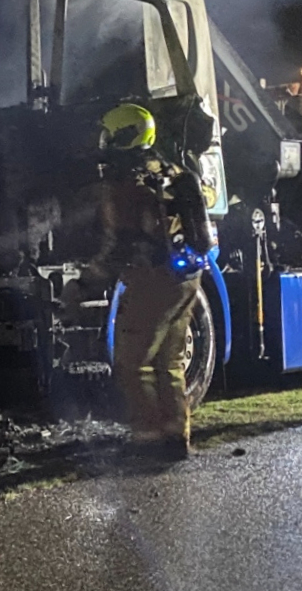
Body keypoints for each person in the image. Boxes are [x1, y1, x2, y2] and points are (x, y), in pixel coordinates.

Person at [83, 102, 214, 462]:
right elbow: (202, 236)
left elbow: (116, 245)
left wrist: (85, 281)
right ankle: (175, 437)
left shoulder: (125, 184)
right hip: (187, 277)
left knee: (132, 361)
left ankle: (146, 439)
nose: (104, 141)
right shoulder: (175, 172)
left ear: (125, 135)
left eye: (110, 135)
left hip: (150, 278)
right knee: (169, 361)